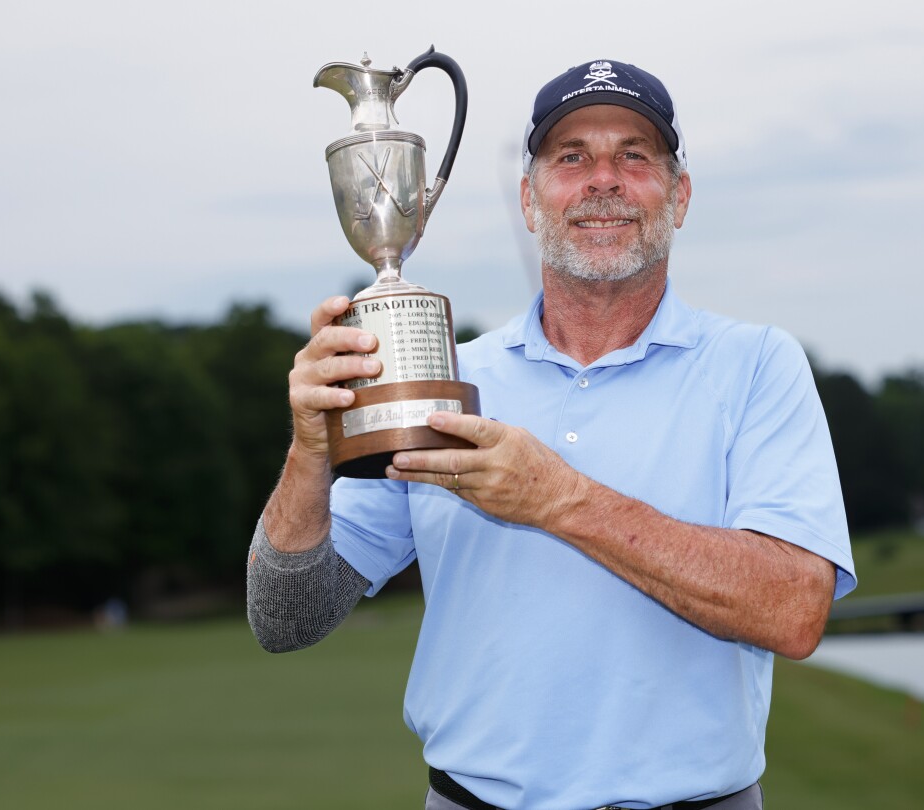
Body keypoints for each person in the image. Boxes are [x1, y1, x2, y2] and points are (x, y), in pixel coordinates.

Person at [247, 58, 857, 810]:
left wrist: (558, 498)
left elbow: (795, 611)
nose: (604, 180)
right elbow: (285, 618)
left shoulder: (758, 365)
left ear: (681, 194)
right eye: (571, 158)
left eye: (635, 156)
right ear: (531, 201)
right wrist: (310, 451)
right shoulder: (446, 379)